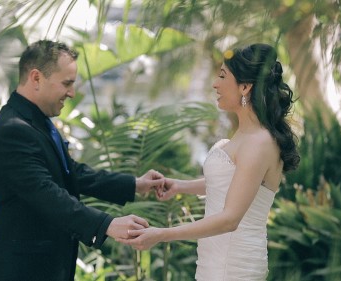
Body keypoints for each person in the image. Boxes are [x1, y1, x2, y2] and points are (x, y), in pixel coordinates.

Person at [0, 40, 164, 281]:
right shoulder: (12, 130)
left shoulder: (34, 121)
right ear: (36, 78)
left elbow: (70, 172)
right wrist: (107, 224)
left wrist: (133, 184)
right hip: (20, 269)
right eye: (67, 83)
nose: (72, 93)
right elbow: (46, 194)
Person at [120, 43, 300, 280]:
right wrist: (180, 186)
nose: (215, 84)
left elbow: (230, 219)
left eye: (223, 76)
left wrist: (161, 234)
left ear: (245, 87)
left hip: (233, 266)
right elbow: (233, 183)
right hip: (216, 259)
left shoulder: (258, 143)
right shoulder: (247, 135)